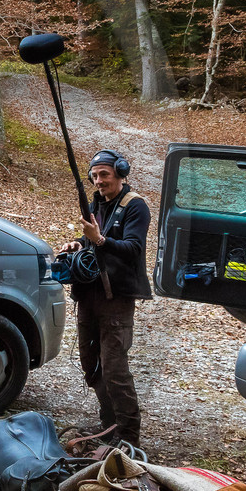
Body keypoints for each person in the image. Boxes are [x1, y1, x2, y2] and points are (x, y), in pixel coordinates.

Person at [58, 149, 152, 447]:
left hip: (117, 298)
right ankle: (109, 425)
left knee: (114, 368)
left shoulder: (136, 206)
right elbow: (91, 241)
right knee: (91, 364)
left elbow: (133, 248)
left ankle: (129, 437)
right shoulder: (95, 204)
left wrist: (99, 239)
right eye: (95, 176)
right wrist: (79, 243)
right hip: (89, 295)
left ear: (120, 174)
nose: (99, 181)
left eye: (105, 175)